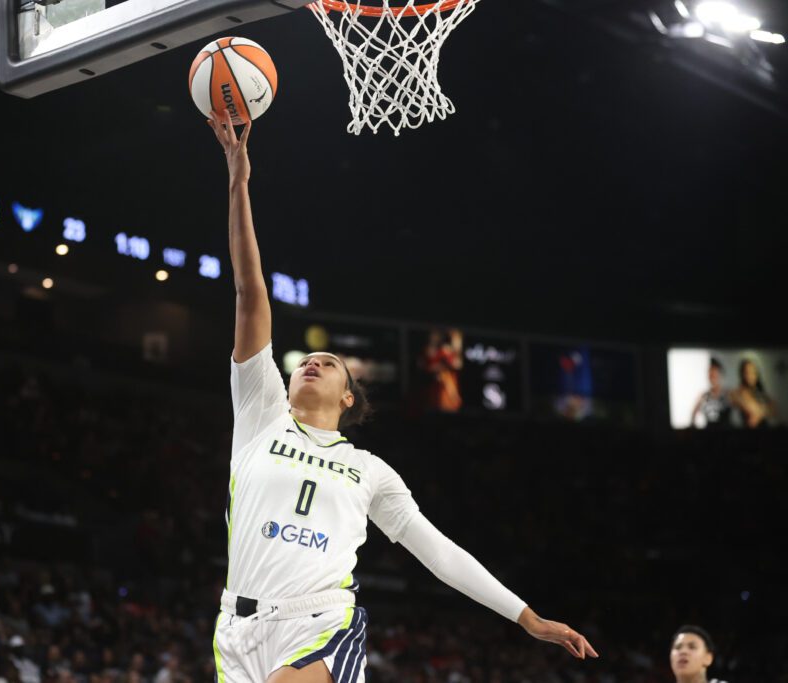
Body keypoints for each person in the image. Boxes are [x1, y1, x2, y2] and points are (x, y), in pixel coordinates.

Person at [206, 109, 599, 683]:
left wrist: (528, 618)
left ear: (348, 398)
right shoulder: (260, 415)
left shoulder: (370, 472)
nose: (312, 362)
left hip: (319, 624)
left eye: (329, 363)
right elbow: (249, 292)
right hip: (236, 630)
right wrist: (238, 182)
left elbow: (439, 554)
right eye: (305, 362)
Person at [729, 359, 777, 428]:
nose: (751, 376)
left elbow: (774, 409)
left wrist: (760, 413)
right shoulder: (738, 392)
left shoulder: (759, 392)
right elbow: (749, 408)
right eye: (747, 372)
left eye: (753, 372)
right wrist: (764, 410)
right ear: (742, 374)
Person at [690, 358, 732, 428]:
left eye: (714, 373)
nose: (712, 375)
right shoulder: (704, 396)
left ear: (720, 374)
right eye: (710, 372)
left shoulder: (728, 394)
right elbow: (693, 415)